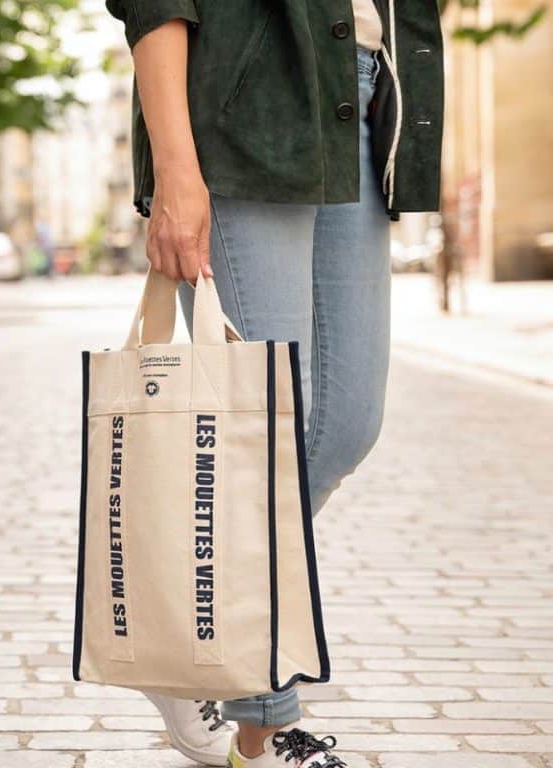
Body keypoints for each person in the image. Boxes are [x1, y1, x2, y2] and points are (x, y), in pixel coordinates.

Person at [104, 1, 444, 766]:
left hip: (360, 110)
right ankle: (265, 727)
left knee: (343, 426)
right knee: (263, 439)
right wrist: (177, 171)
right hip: (240, 112)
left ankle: (192, 630)